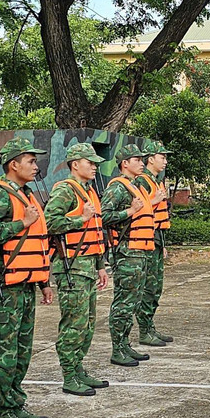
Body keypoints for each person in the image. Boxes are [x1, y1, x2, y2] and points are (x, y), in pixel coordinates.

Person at [0, 139, 54, 418]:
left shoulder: (26, 195)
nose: (36, 166)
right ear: (13, 165)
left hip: (26, 284)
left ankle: (15, 402)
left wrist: (44, 281)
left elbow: (39, 242)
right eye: (31, 161)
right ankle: (2, 410)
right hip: (3, 287)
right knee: (3, 351)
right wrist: (21, 223)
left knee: (21, 350)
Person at [42, 144, 110, 395]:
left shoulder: (89, 192)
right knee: (74, 323)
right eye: (89, 162)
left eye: (95, 163)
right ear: (74, 165)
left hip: (88, 266)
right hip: (71, 267)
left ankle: (78, 367)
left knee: (88, 323)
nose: (94, 166)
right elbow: (48, 223)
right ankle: (69, 375)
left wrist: (101, 266)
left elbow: (96, 233)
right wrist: (79, 218)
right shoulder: (65, 190)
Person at [103, 145, 162, 367]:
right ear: (124, 163)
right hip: (127, 253)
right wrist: (129, 211)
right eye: (136, 160)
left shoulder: (133, 187)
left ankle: (125, 344)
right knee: (123, 303)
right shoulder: (118, 188)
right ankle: (117, 348)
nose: (141, 163)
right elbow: (104, 216)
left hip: (140, 253)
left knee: (133, 301)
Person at [134, 141, 174, 347]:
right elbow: (139, 210)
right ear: (151, 159)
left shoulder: (156, 181)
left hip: (157, 239)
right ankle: (144, 330)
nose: (165, 161)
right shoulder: (143, 181)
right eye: (162, 157)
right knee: (148, 288)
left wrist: (163, 243)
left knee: (156, 287)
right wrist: (155, 200)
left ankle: (149, 327)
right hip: (146, 239)